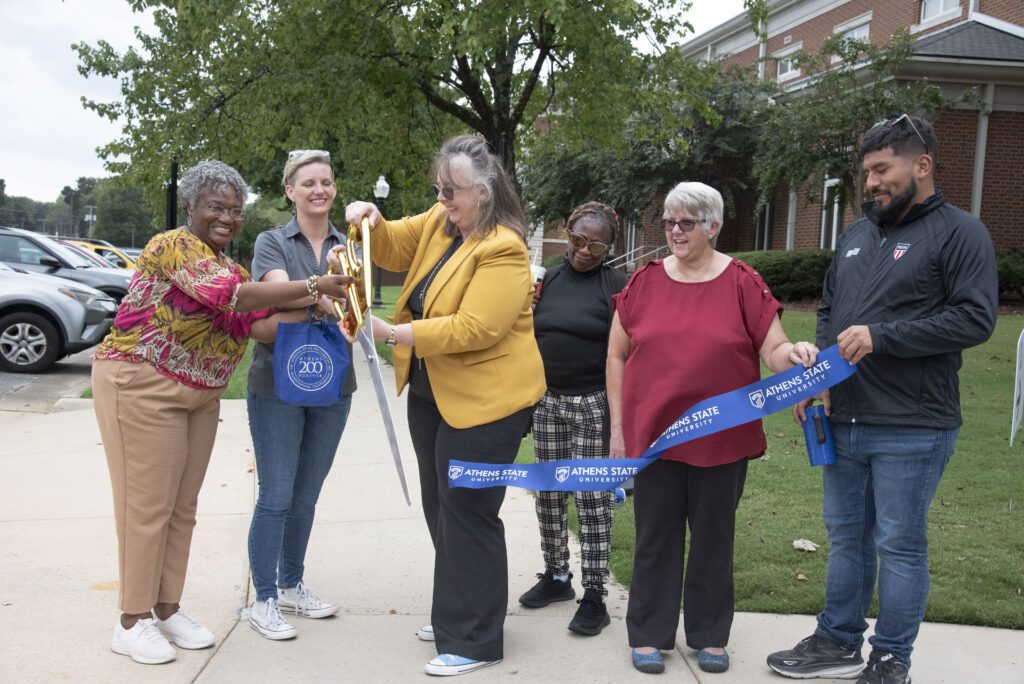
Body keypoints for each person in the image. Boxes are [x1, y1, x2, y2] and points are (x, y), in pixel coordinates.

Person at [767, 115, 998, 684]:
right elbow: (829, 310)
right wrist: (816, 377)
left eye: (880, 169)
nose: (869, 182)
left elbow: (975, 318)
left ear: (921, 166)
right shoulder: (854, 235)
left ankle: (891, 658)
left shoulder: (961, 232)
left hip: (913, 425)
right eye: (864, 171)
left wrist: (882, 336)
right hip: (842, 418)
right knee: (847, 538)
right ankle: (837, 640)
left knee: (898, 545)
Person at [92, 160, 352, 665]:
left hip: (198, 397)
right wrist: (317, 286)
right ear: (191, 206)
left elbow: (261, 325)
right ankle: (131, 620)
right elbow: (231, 297)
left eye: (235, 210)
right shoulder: (173, 247)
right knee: (147, 509)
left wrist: (333, 308)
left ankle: (166, 609)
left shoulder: (229, 265)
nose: (227, 218)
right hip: (142, 385)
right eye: (216, 207)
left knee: (181, 509)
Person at [342, 134, 545, 677]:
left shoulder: (503, 247)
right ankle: (459, 606)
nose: (443, 200)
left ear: (483, 192)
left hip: (489, 401)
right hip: (435, 393)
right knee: (441, 504)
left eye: (452, 191)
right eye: (439, 189)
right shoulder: (439, 222)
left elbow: (477, 328)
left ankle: (477, 640)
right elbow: (386, 244)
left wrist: (394, 332)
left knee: (469, 512)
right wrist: (369, 216)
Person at [607, 182, 818, 676]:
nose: (675, 231)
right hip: (654, 439)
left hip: (722, 440)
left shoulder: (743, 281)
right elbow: (616, 354)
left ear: (713, 226)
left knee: (713, 538)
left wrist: (798, 357)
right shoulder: (644, 281)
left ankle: (708, 636)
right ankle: (649, 635)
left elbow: (773, 349)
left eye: (686, 222)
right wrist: (619, 429)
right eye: (668, 222)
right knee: (654, 538)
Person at [244, 150, 358, 640]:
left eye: (326, 182)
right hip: (276, 385)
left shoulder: (349, 243)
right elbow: (272, 294)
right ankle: (264, 599)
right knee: (276, 494)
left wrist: (312, 298)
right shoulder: (271, 241)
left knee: (306, 494)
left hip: (334, 382)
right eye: (308, 182)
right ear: (289, 190)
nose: (319, 190)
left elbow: (356, 303)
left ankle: (291, 584)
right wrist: (322, 295)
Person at [518, 201, 628, 636]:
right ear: (567, 232)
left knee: (591, 499)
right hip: (548, 402)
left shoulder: (616, 285)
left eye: (596, 245)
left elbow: (626, 350)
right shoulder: (546, 277)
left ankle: (595, 593)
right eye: (578, 239)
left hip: (593, 404)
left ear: (609, 247)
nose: (584, 250)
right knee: (548, 494)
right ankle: (556, 575)